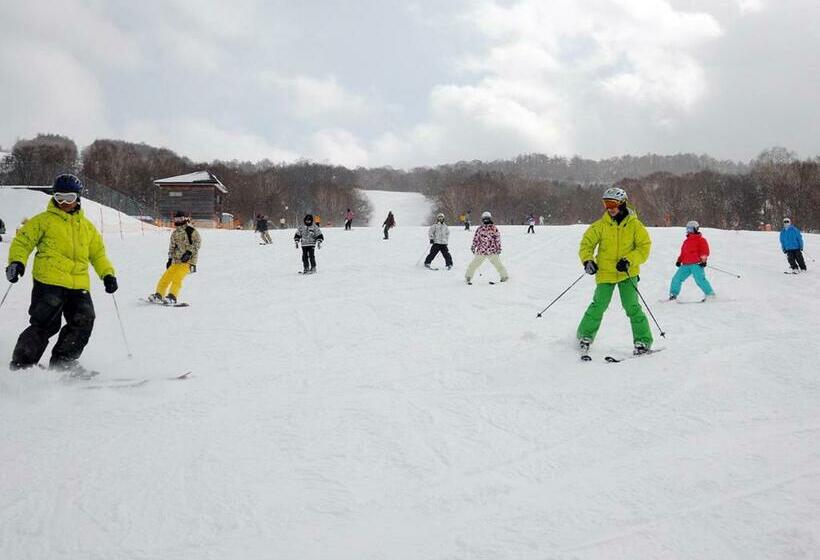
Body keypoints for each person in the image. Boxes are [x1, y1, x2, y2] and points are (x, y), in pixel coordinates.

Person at [5, 174, 117, 371]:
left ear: (78, 198)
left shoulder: (87, 228)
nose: (65, 202)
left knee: (84, 320)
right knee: (45, 324)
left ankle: (63, 363)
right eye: (59, 197)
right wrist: (17, 262)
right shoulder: (43, 221)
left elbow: (98, 254)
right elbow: (23, 242)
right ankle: (22, 364)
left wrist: (107, 274)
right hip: (49, 281)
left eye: (70, 198)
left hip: (78, 285)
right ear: (53, 197)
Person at [577, 187, 652, 356]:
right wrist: (588, 260)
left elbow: (644, 247)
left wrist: (629, 260)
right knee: (599, 305)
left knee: (632, 306)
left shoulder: (635, 225)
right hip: (605, 273)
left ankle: (643, 340)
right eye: (606, 204)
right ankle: (585, 336)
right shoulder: (600, 226)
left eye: (612, 204)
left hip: (627, 273)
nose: (609, 208)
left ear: (623, 204)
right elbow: (586, 245)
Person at [148, 211, 201, 304]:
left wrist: (189, 252)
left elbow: (197, 243)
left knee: (177, 278)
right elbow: (172, 247)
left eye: (181, 219)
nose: (179, 221)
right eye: (177, 219)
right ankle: (159, 294)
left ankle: (172, 296)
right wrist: (169, 259)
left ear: (185, 219)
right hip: (176, 260)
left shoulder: (190, 230)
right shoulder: (175, 233)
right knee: (166, 277)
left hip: (188, 261)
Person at [668, 220, 715, 301]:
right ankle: (673, 295)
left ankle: (710, 295)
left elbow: (704, 251)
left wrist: (703, 260)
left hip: (696, 264)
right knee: (676, 279)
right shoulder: (686, 241)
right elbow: (683, 252)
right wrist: (679, 260)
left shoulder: (701, 240)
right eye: (688, 229)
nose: (689, 231)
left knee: (700, 280)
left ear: (696, 229)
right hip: (685, 265)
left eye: (691, 229)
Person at [465, 211, 508, 284]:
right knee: (474, 264)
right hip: (481, 251)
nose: (486, 221)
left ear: (490, 219)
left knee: (498, 264)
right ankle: (468, 276)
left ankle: (504, 276)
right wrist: (473, 246)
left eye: (487, 219)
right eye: (484, 219)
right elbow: (476, 238)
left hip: (492, 250)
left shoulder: (494, 228)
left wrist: (498, 248)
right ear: (482, 219)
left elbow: (497, 239)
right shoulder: (480, 229)